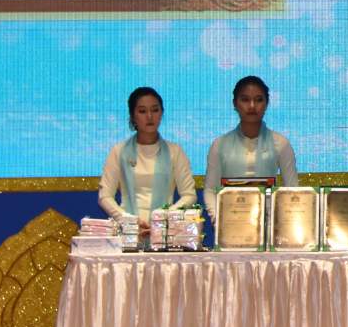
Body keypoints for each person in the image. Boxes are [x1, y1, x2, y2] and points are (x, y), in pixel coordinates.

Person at [97, 86, 197, 237]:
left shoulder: (175, 152)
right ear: (132, 116)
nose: (149, 116)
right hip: (127, 232)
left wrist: (163, 218)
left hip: (165, 233)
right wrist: (127, 220)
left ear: (161, 113)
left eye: (155, 110)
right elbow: (105, 196)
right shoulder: (119, 151)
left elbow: (189, 195)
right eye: (142, 111)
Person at [204, 75, 299, 218]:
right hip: (230, 223)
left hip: (268, 224)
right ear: (235, 104)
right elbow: (210, 190)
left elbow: (292, 189)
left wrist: (279, 221)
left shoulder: (281, 143)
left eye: (259, 100)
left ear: (267, 103)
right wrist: (217, 220)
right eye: (245, 99)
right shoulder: (219, 145)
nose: (252, 106)